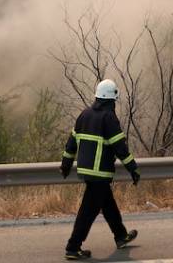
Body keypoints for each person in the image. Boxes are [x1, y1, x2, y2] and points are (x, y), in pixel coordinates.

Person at [60, 79, 140, 260]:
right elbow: (120, 147)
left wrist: (65, 165)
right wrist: (133, 169)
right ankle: (73, 247)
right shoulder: (109, 118)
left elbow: (71, 144)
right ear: (111, 100)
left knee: (108, 204)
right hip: (100, 174)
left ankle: (120, 236)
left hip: (87, 172)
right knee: (87, 212)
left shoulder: (84, 115)